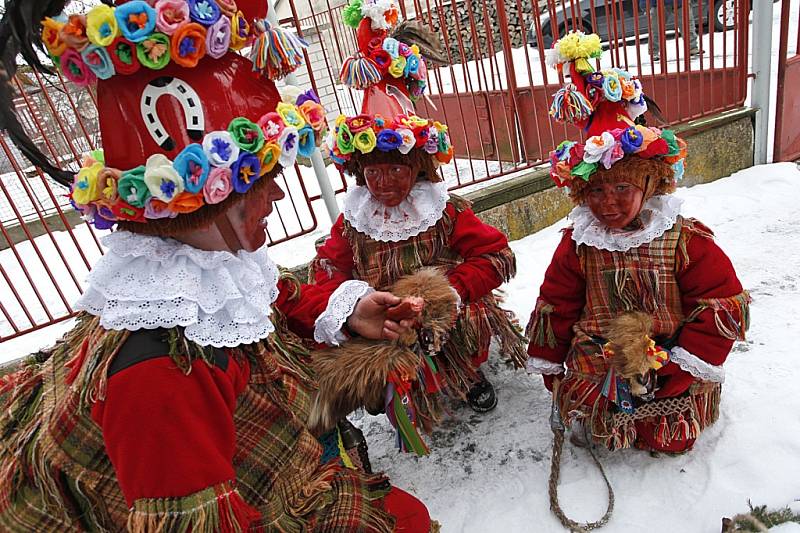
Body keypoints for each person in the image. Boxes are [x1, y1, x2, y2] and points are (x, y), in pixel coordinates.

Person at [0, 0, 435, 530]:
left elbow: (275, 296)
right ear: (201, 200)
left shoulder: (201, 276)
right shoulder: (157, 373)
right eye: (256, 178)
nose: (278, 191)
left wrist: (351, 309)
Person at [307, 1, 526, 448]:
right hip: (386, 316)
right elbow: (328, 270)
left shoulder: (444, 210)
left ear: (421, 168)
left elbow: (498, 256)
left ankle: (466, 375)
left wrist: (453, 290)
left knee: (461, 329)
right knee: (391, 351)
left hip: (444, 312)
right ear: (357, 171)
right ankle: (406, 387)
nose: (385, 182)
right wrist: (354, 301)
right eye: (374, 171)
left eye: (398, 170)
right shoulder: (353, 221)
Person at [530, 31, 749, 453]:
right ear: (580, 193)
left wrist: (682, 367)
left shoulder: (684, 240)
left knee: (668, 439)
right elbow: (556, 302)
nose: (608, 204)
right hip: (599, 355)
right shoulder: (579, 243)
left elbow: (719, 303)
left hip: (667, 358)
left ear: (651, 184)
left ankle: (660, 403)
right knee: (598, 430)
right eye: (596, 192)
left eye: (623, 189)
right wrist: (553, 368)